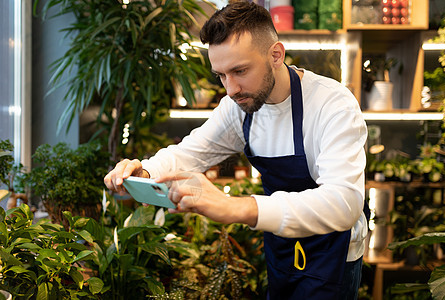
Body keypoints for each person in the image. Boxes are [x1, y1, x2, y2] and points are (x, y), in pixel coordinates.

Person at [104, 1, 368, 299]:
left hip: (333, 252)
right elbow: (191, 152)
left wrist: (235, 207)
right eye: (221, 75)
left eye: (240, 70)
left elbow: (343, 203)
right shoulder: (238, 107)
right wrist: (146, 171)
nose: (230, 89)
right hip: (282, 244)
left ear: (276, 55)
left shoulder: (332, 105)